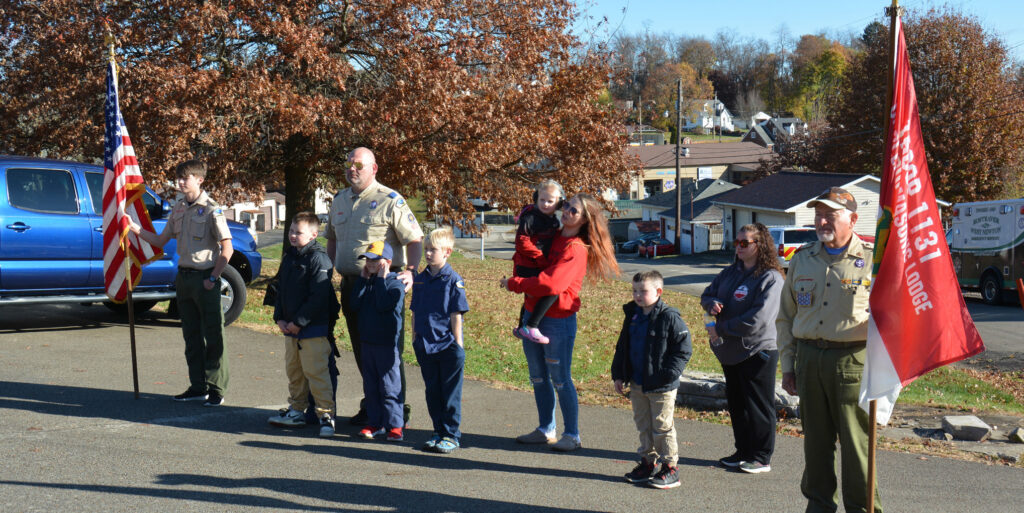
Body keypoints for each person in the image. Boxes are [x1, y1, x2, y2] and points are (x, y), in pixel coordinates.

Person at [776, 187, 881, 513]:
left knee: (856, 446)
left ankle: (862, 510)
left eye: (830, 215)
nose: (822, 221)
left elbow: (891, 319)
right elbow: (786, 318)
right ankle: (819, 507)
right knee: (816, 445)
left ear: (852, 219)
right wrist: (789, 366)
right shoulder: (802, 259)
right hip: (809, 360)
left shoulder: (872, 261)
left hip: (852, 361)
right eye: (818, 215)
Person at [500, 193, 620, 452]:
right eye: (566, 206)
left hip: (557, 322)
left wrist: (514, 284)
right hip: (531, 317)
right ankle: (546, 429)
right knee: (538, 378)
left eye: (573, 211)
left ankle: (572, 434)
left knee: (560, 379)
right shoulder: (552, 236)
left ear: (585, 220)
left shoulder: (576, 249)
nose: (566, 211)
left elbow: (551, 284)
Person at [326, 147, 423, 426]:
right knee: (362, 348)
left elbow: (414, 239)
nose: (352, 169)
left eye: (358, 164)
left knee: (388, 350)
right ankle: (373, 405)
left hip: (382, 286)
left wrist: (411, 272)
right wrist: (327, 270)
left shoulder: (389, 200)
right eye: (348, 164)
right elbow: (331, 238)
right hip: (352, 285)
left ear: (374, 168)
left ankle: (396, 411)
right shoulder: (340, 199)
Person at [129, 159, 232, 407]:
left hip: (204, 278)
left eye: (185, 178)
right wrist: (133, 228)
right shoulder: (178, 208)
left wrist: (213, 278)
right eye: (179, 178)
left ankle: (216, 388)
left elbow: (227, 248)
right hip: (184, 278)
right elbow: (160, 240)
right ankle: (198, 387)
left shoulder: (211, 209)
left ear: (200, 180)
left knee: (213, 336)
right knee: (191, 336)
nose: (180, 183)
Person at [700, 223, 784, 474]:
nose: (738, 247)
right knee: (737, 404)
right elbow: (707, 294)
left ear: (760, 246)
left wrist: (722, 328)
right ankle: (743, 451)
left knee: (758, 404)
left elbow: (759, 319)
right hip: (731, 351)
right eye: (736, 242)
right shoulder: (730, 272)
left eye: (745, 243)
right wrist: (712, 302)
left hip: (758, 350)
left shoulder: (771, 277)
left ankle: (761, 456)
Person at [611, 270, 692, 490]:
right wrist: (618, 374)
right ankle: (648, 462)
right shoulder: (633, 316)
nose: (637, 295)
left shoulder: (669, 317)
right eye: (634, 290)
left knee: (662, 426)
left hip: (661, 385)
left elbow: (683, 349)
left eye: (643, 291)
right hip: (637, 382)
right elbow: (622, 347)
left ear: (658, 291)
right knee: (643, 424)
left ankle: (670, 467)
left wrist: (668, 374)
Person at [266, 211, 339, 437]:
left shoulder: (319, 259)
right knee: (294, 372)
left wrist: (299, 322)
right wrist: (279, 317)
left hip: (313, 329)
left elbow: (318, 297)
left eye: (299, 232)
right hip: (290, 330)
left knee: (316, 373)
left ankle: (326, 416)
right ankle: (296, 410)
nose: (293, 236)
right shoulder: (290, 256)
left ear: (314, 234)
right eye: (291, 231)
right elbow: (279, 289)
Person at [410, 227, 469, 454]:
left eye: (432, 250)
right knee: (432, 391)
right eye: (426, 249)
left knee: (450, 393)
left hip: (447, 346)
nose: (427, 254)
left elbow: (456, 315)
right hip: (425, 344)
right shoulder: (421, 280)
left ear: (447, 252)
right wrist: (415, 338)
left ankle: (451, 435)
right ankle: (437, 431)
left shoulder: (453, 280)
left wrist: (458, 345)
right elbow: (415, 311)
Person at [350, 241, 407, 442]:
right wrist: (363, 281)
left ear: (387, 262)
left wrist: (382, 279)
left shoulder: (395, 283)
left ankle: (395, 425)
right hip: (368, 342)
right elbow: (354, 304)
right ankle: (375, 423)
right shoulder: (368, 282)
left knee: (389, 386)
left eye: (375, 260)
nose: (371, 264)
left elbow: (384, 304)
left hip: (386, 344)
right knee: (371, 386)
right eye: (368, 259)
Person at [510, 180, 563, 344]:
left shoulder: (553, 220)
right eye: (542, 200)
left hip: (539, 263)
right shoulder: (531, 218)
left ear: (559, 203)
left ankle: (522, 327)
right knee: (551, 290)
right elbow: (521, 242)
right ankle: (531, 326)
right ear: (536, 199)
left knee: (531, 297)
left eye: (550, 201)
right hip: (527, 264)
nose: (545, 204)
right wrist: (540, 258)